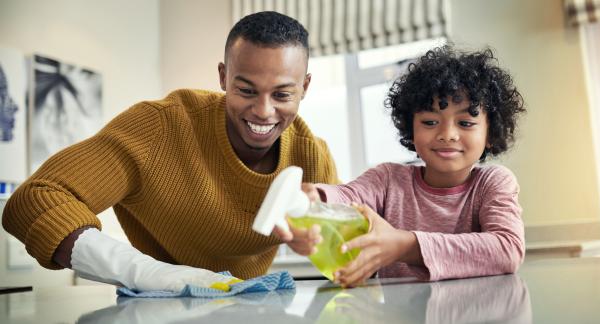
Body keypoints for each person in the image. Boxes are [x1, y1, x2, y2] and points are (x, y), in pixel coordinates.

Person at [2, 11, 335, 292]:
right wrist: (151, 274)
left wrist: (321, 245)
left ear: (304, 87)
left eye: (282, 95)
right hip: (157, 308)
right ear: (223, 76)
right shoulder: (160, 127)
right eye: (246, 90)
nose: (263, 111)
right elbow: (34, 198)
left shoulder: (312, 157)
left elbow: (346, 254)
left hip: (254, 307)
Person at [303, 45, 526, 287]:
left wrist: (405, 245)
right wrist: (314, 197)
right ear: (411, 129)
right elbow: (348, 196)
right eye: (430, 121)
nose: (447, 134)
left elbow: (508, 249)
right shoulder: (389, 179)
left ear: (491, 133)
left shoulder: (493, 182)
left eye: (465, 122)